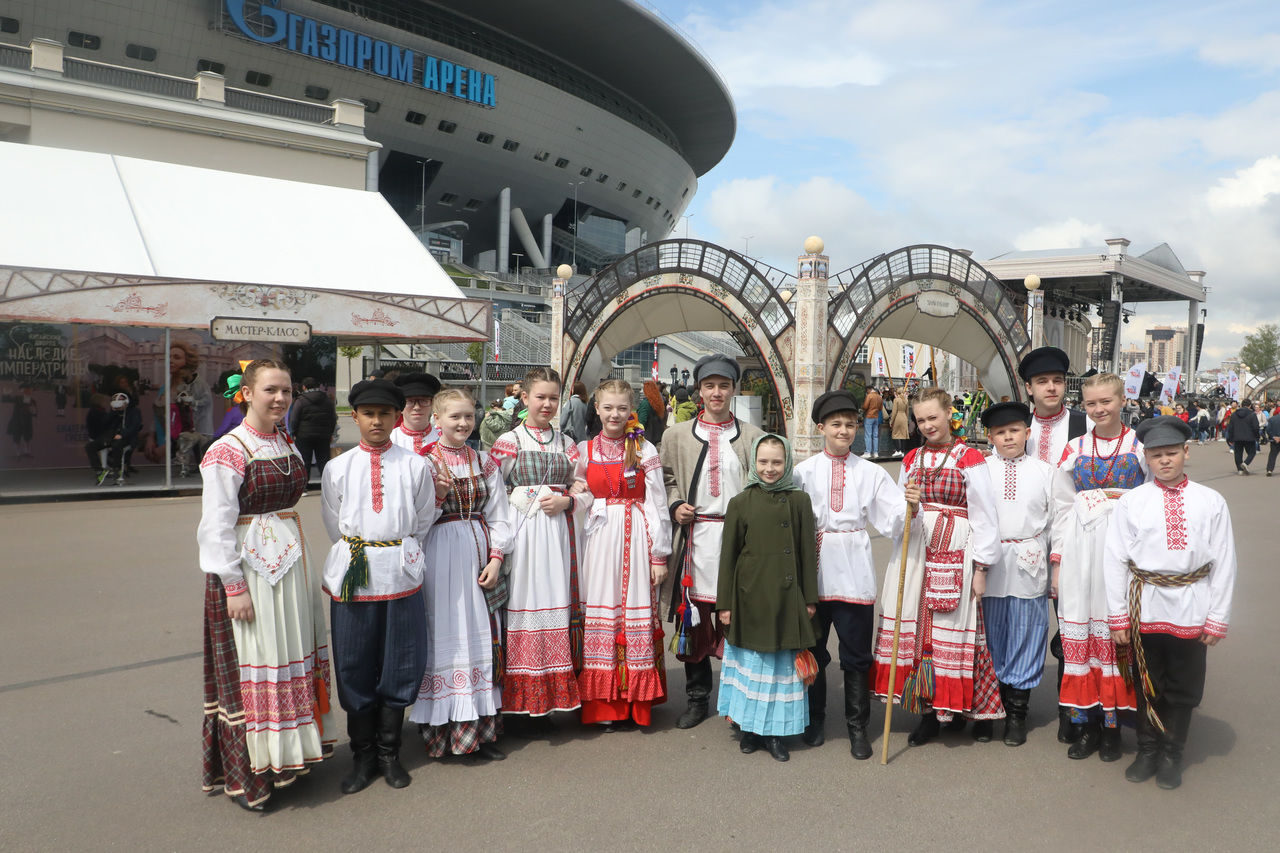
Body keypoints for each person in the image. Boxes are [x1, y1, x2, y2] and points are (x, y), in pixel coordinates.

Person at [197, 359, 334, 812]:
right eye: (270, 390)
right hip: (250, 570)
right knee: (259, 656)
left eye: (286, 391)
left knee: (289, 651)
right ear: (248, 394)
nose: (279, 399)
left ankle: (289, 757)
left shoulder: (283, 440)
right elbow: (216, 525)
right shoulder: (228, 449)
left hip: (290, 562)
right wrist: (232, 585)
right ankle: (253, 770)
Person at [321, 379, 440, 794]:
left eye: (384, 413)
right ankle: (363, 754)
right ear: (354, 417)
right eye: (368, 413)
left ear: (396, 416)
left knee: (401, 660)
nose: (376, 420)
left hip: (400, 573)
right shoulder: (338, 467)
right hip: (355, 572)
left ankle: (390, 752)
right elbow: (334, 523)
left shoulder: (415, 464)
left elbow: (424, 517)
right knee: (354, 662)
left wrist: (398, 552)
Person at [1105, 416, 1237, 789]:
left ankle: (1171, 754)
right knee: (1148, 682)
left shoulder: (1211, 501)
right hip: (1145, 605)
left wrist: (1217, 616)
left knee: (1183, 685)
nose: (1165, 461)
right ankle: (1147, 749)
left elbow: (1224, 560)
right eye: (1157, 454)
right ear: (1146, 457)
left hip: (1191, 605)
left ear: (1186, 452)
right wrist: (1117, 616)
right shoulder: (1132, 502)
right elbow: (1115, 559)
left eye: (1172, 453)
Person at [872, 387, 1002, 746]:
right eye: (921, 419)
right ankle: (928, 713)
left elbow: (985, 515)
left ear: (949, 414)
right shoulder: (912, 458)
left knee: (957, 629)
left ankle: (967, 709)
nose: (927, 425)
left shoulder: (970, 457)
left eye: (933, 417)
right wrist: (907, 506)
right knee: (918, 636)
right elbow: (898, 513)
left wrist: (981, 568)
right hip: (916, 550)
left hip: (956, 549)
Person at [793, 390, 905, 758]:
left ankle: (858, 727)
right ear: (821, 427)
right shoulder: (803, 472)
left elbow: (892, 518)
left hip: (854, 568)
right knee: (813, 649)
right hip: (816, 567)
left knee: (856, 654)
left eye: (850, 424)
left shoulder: (870, 472)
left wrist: (910, 510)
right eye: (836, 424)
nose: (844, 431)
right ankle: (815, 718)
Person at [409, 389, 513, 761]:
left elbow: (501, 514)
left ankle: (478, 731)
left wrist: (497, 557)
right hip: (440, 554)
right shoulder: (422, 462)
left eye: (469, 416)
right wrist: (436, 498)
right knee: (446, 633)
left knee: (479, 634)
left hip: (479, 552)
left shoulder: (483, 461)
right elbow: (413, 524)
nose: (464, 424)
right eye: (455, 417)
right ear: (436, 420)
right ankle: (442, 731)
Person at [661, 355, 764, 729]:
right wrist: (675, 505)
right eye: (710, 386)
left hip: (739, 542)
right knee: (694, 622)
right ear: (700, 390)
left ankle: (738, 701)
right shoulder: (676, 436)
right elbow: (666, 478)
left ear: (734, 389)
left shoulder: (753, 437)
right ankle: (697, 697)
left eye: (724, 385)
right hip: (696, 537)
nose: (716, 392)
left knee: (741, 623)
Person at [485, 367, 591, 718]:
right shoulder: (509, 442)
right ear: (524, 398)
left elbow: (584, 489)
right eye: (540, 397)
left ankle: (552, 698)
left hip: (558, 536)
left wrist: (568, 500)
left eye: (553, 398)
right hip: (525, 534)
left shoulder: (568, 444)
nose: (547, 404)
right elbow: (492, 491)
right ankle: (521, 700)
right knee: (522, 603)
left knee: (555, 603)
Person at [1051, 372, 1144, 762]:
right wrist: (1057, 561)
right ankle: (1086, 725)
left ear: (1122, 400)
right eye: (1091, 403)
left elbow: (1152, 498)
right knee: (1081, 634)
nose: (1099, 409)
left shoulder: (1139, 444)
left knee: (1114, 633)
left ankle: (1113, 730)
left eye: (1106, 401)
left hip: (1121, 549)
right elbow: (1059, 504)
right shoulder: (1074, 447)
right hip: (1079, 548)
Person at [575, 380, 671, 729]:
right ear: (597, 409)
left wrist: (659, 555)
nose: (615, 414)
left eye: (621, 408)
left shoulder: (645, 450)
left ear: (632, 410)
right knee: (603, 612)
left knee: (634, 614)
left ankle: (635, 702)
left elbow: (658, 504)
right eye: (608, 407)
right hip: (598, 540)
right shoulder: (584, 451)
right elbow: (579, 495)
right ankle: (604, 705)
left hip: (636, 536)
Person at [716, 434, 818, 762]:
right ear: (753, 463)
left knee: (779, 672)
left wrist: (809, 599)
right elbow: (728, 557)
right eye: (763, 462)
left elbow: (806, 554)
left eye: (776, 462)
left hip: (787, 598)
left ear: (787, 462)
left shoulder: (799, 501)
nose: (770, 468)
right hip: (749, 598)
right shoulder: (740, 503)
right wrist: (725, 604)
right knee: (751, 669)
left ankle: (774, 733)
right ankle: (749, 728)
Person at [979, 401, 1070, 746]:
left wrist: (1056, 561)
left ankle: (1017, 712)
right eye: (1000, 432)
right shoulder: (980, 470)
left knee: (1026, 633)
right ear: (990, 437)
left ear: (1027, 433)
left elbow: (1060, 519)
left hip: (1029, 560)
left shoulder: (1046, 471)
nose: (1008, 437)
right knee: (990, 634)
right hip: (990, 562)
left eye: (1014, 430)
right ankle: (990, 706)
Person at [1019, 345, 1090, 743]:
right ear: (1029, 388)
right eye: (1042, 382)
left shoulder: (1083, 424)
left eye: (1058, 381)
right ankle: (1015, 708)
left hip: (1073, 537)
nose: (1051, 388)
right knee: (1020, 623)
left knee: (1072, 626)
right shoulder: (1016, 425)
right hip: (1023, 540)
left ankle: (1072, 713)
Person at [86, 391, 142, 485]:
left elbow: (135, 427)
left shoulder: (134, 412)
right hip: (111, 436)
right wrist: (113, 412)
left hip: (127, 438)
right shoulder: (114, 412)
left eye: (120, 401)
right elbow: (104, 424)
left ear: (126, 402)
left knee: (117, 445)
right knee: (90, 447)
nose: (118, 403)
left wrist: (122, 434)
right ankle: (100, 470)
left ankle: (116, 470)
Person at [289, 377, 338, 480]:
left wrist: (293, 433)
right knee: (323, 460)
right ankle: (326, 485)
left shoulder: (300, 400)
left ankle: (304, 487)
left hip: (304, 436)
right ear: (317, 386)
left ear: (304, 387)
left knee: (304, 460)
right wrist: (331, 433)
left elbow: (294, 419)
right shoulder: (327, 399)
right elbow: (333, 418)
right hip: (323, 436)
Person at [390, 372, 441, 453]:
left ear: (432, 404)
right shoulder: (390, 439)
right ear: (400, 405)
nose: (417, 407)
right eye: (410, 401)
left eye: (423, 401)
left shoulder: (443, 438)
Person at [1226, 398, 1259, 474]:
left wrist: (1230, 438)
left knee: (1238, 453)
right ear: (1250, 405)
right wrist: (1257, 436)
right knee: (1252, 452)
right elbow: (1256, 427)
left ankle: (1239, 470)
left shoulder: (1234, 414)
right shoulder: (1252, 414)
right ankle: (1246, 463)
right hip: (1249, 437)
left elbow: (1231, 427)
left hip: (1237, 437)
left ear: (1241, 405)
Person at [635, 379, 667, 446]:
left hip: (647, 437)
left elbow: (642, 421)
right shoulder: (659, 401)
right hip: (657, 435)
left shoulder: (645, 403)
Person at [862, 385, 883, 459]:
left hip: (869, 416)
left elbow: (865, 406)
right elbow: (880, 408)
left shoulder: (869, 396)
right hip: (876, 417)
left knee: (868, 435)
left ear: (869, 389)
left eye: (866, 390)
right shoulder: (879, 397)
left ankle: (868, 452)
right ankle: (875, 452)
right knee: (875, 435)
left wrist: (862, 407)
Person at [890, 387, 910, 458]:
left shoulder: (896, 400)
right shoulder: (906, 400)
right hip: (904, 417)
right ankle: (902, 451)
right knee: (903, 434)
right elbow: (907, 411)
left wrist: (891, 421)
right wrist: (906, 419)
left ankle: (898, 450)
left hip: (898, 417)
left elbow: (894, 412)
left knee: (895, 434)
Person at [1265, 406, 1280, 476]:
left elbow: (1268, 430)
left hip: (1274, 440)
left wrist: (1274, 437)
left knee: (1272, 455)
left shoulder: (1271, 419)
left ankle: (1269, 470)